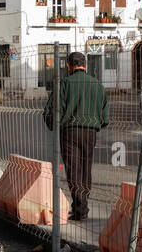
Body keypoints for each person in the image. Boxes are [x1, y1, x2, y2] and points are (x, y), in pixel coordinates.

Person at [42, 51, 108, 221]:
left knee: (73, 170)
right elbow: (105, 116)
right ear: (85, 65)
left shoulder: (64, 83)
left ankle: (80, 208)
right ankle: (82, 206)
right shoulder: (97, 85)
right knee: (86, 169)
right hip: (90, 132)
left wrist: (53, 125)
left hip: (70, 131)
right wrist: (97, 124)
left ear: (68, 66)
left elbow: (52, 109)